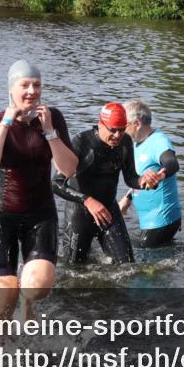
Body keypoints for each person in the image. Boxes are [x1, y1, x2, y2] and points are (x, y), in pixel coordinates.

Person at [0, 60, 77, 337]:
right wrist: (7, 124)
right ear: (11, 89)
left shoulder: (52, 117)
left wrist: (50, 133)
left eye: (37, 85)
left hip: (40, 214)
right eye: (25, 85)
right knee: (5, 296)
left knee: (36, 287)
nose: (32, 91)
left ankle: (28, 306)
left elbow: (69, 169)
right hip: (2, 216)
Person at [54, 103, 144, 264]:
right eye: (113, 130)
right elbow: (56, 183)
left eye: (122, 129)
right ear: (100, 124)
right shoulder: (82, 142)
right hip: (79, 214)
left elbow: (130, 178)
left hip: (109, 211)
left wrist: (143, 181)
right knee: (73, 271)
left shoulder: (125, 142)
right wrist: (87, 201)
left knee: (127, 266)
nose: (118, 135)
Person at [117, 100, 182, 248]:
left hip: (162, 220)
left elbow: (172, 163)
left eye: (123, 125)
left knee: (140, 263)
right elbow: (140, 175)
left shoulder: (159, 141)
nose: (119, 130)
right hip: (150, 219)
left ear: (137, 123)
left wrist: (160, 175)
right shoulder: (134, 143)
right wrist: (127, 199)